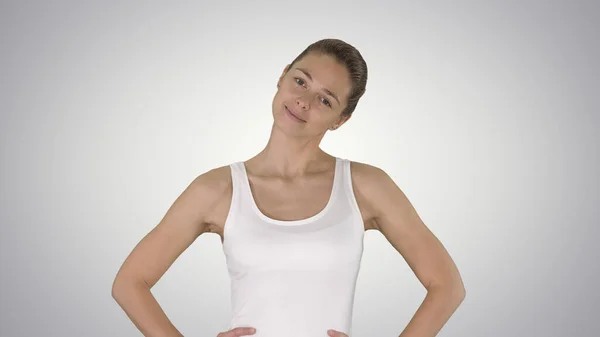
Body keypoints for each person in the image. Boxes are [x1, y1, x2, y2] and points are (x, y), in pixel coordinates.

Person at [111, 38, 466, 337]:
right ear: (282, 76)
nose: (304, 102)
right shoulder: (217, 189)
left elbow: (447, 286)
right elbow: (130, 282)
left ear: (341, 120)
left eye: (325, 100)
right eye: (301, 82)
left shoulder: (366, 186)